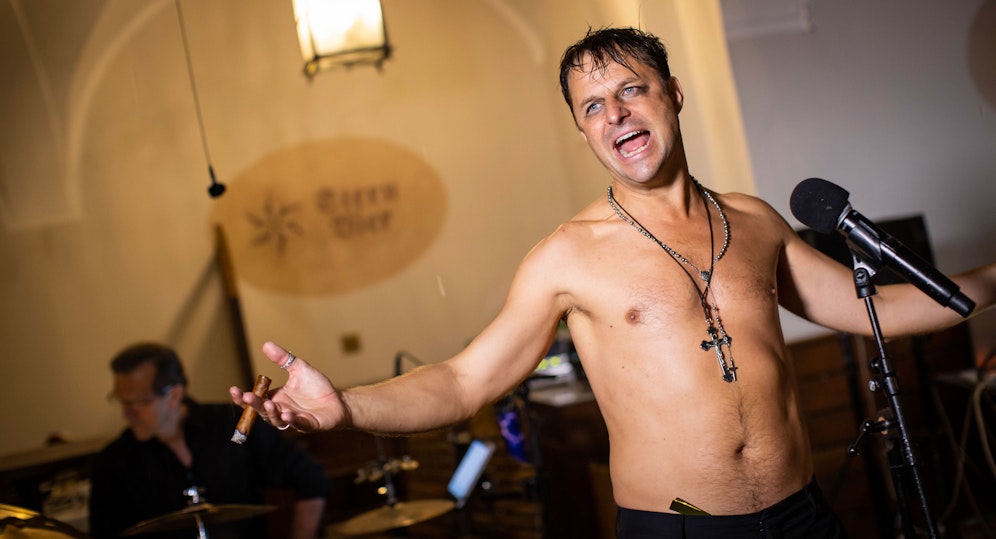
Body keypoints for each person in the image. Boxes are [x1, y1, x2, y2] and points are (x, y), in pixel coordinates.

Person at [231, 27, 996, 538]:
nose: (615, 114)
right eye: (593, 107)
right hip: (680, 529)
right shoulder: (566, 256)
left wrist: (992, 278)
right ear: (583, 130)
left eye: (631, 90)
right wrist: (346, 407)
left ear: (672, 93)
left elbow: (874, 307)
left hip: (802, 515)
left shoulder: (756, 221)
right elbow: (465, 381)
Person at [90, 343, 328, 539]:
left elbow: (311, 478)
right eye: (121, 402)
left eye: (137, 403)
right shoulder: (113, 463)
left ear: (174, 395)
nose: (126, 414)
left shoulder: (232, 425)